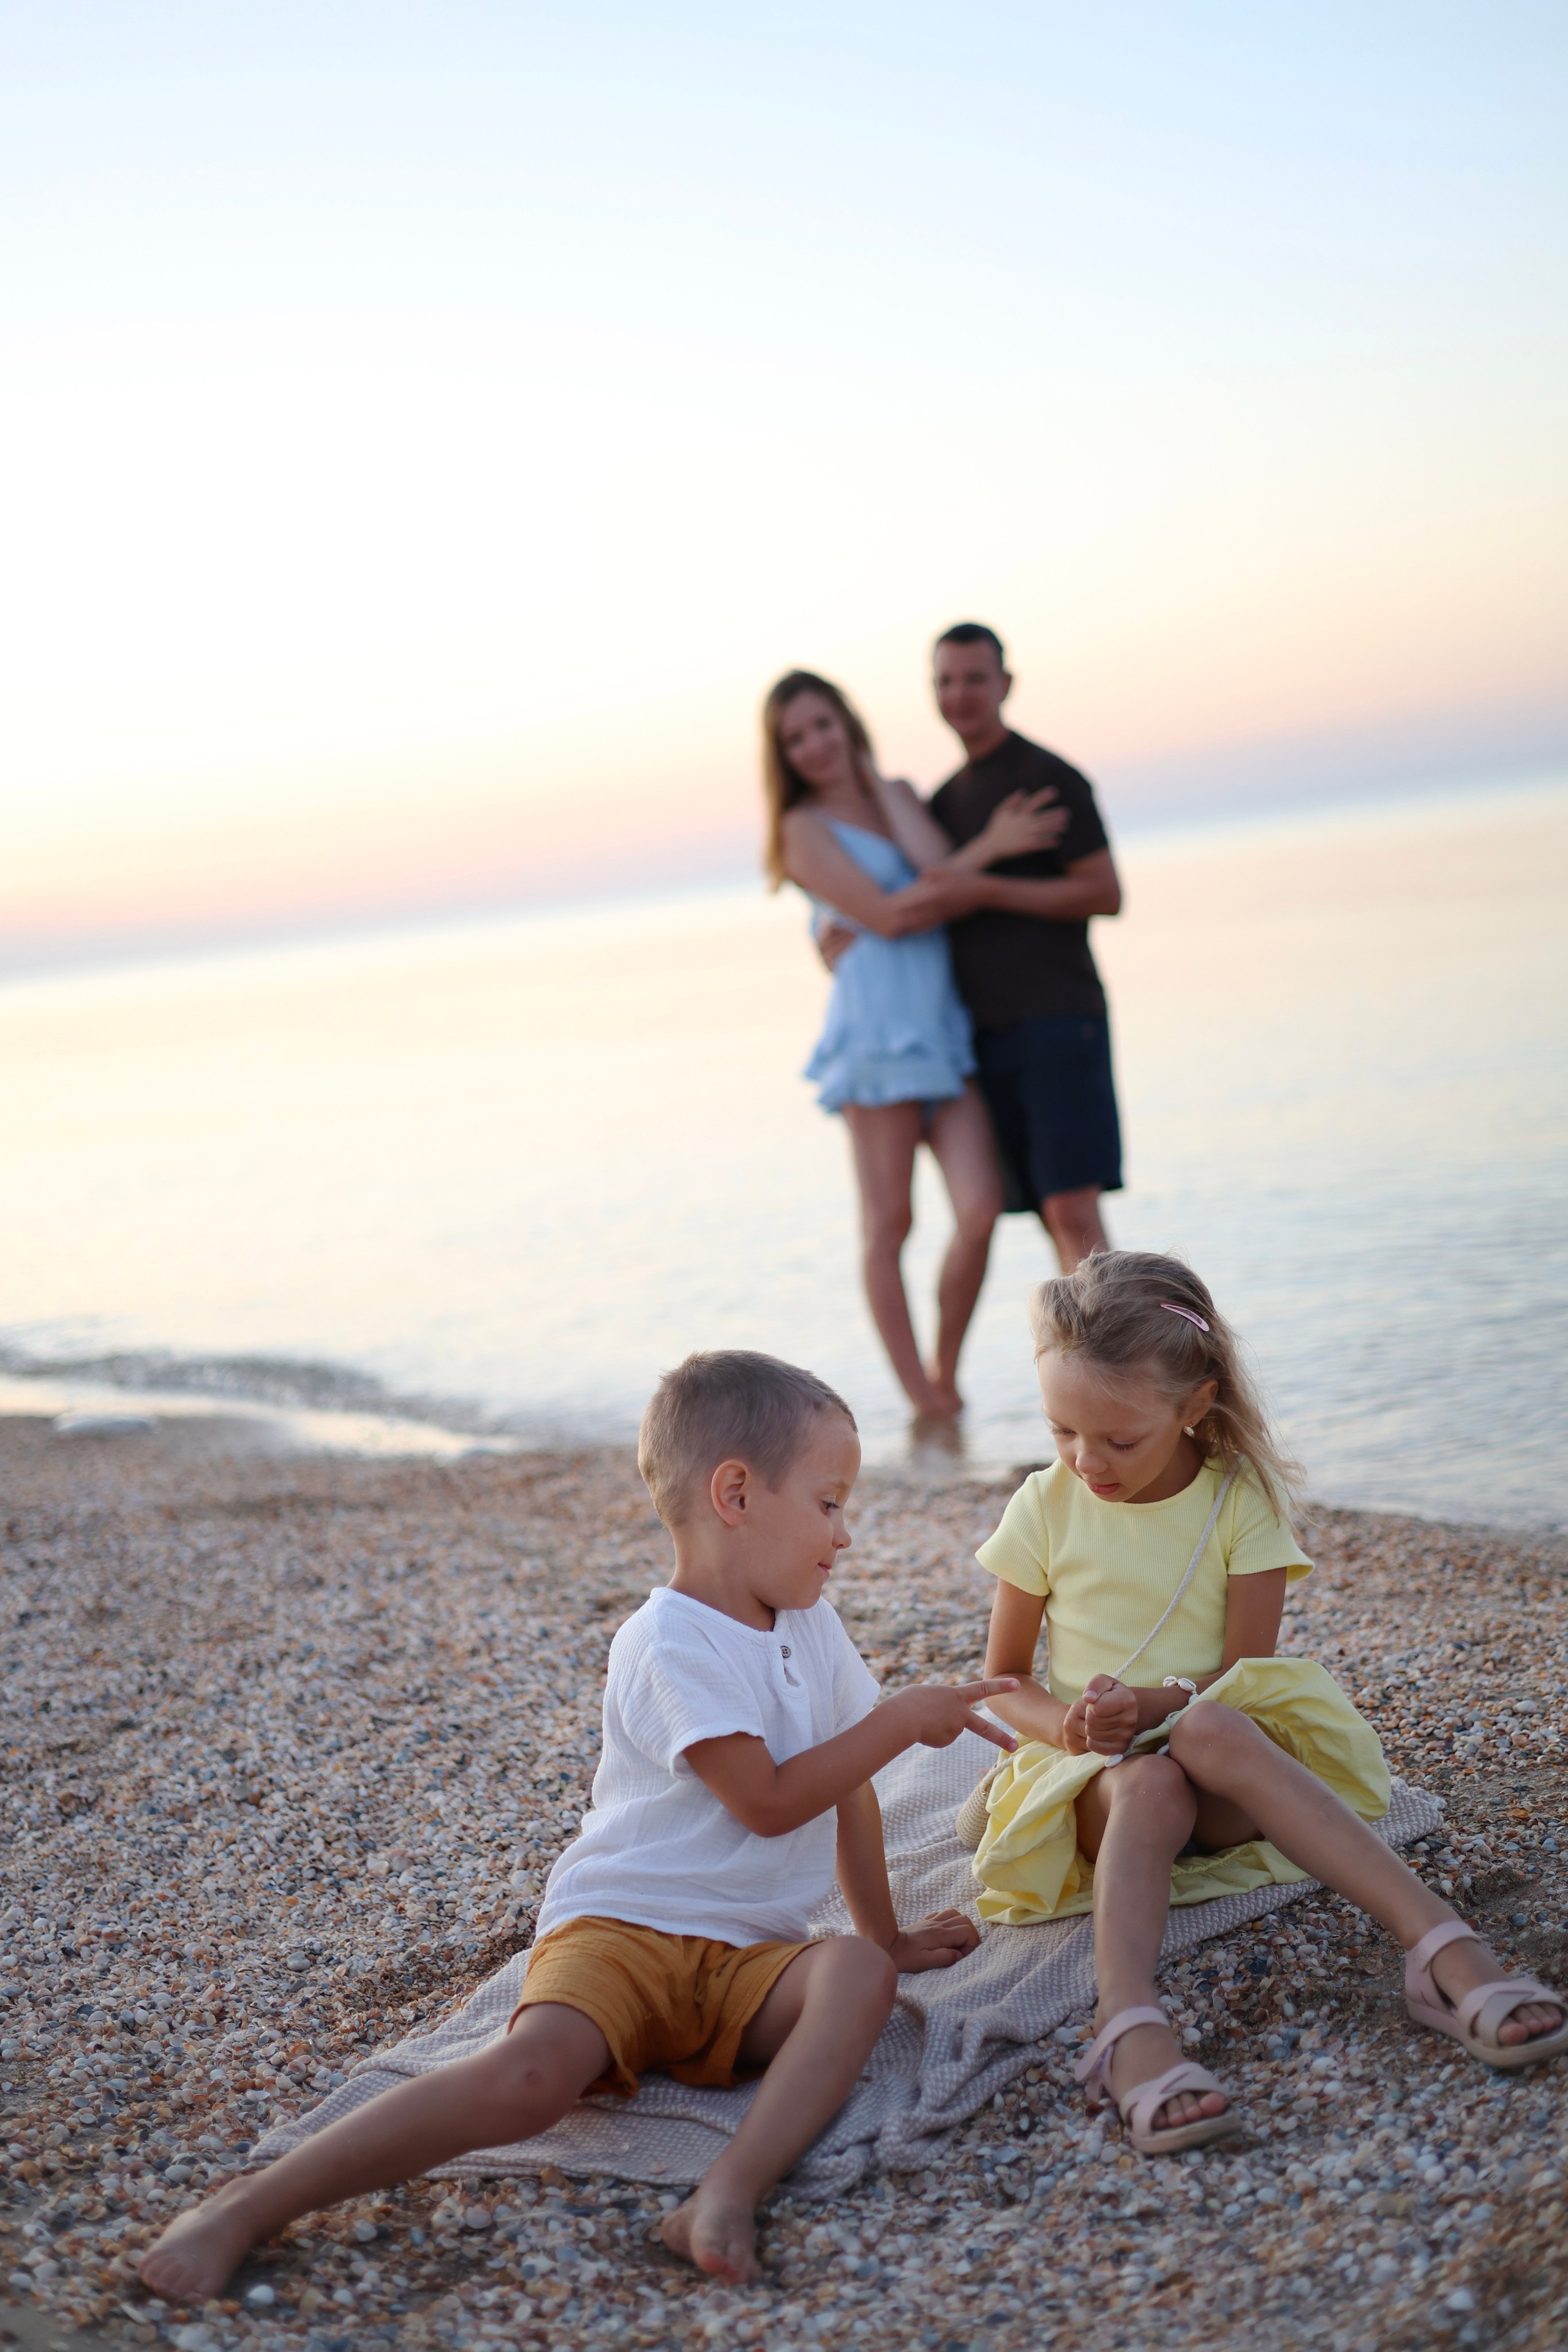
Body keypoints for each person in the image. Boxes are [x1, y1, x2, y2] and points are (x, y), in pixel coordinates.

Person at [138, 1351, 1020, 2299]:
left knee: (858, 1973)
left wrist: (884, 1934)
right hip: (625, 1928)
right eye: (830, 1503)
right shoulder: (669, 1641)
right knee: (532, 2082)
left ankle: (724, 2193)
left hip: (747, 1960)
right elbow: (768, 1800)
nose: (844, 1536)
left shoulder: (814, 1628)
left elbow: (849, 1786)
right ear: (735, 1493)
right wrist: (898, 1724)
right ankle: (248, 2206)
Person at [962, 1251, 1567, 2154]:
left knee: (1205, 1728)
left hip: (1219, 1770)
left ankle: (1439, 1946)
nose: (1087, 1461)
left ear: (1194, 1404)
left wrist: (1157, 1700)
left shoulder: (1238, 1503)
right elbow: (1003, 1677)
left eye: (1118, 1439)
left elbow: (1250, 1670)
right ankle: (1128, 2023)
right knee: (1146, 1786)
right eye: (1062, 1433)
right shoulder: (1045, 1506)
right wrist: (1074, 1725)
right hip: (1096, 1778)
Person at [763, 668, 1066, 1419]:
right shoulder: (799, 830)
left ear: (847, 722)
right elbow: (894, 916)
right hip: (874, 1039)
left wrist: (885, 797)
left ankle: (944, 1370)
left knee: (980, 1208)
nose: (814, 746)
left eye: (823, 725)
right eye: (795, 737)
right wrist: (990, 845)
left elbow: (932, 879)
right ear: (783, 754)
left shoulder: (897, 794)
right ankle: (923, 1399)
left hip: (941, 1036)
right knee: (889, 1226)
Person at [820, 625, 1124, 1272]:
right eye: (946, 681)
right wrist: (856, 923)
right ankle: (1100, 1365)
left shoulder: (1047, 778)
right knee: (1049, 1216)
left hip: (1058, 1018)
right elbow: (929, 896)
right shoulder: (944, 802)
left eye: (974, 679)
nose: (959, 695)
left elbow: (1103, 892)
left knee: (1073, 1210)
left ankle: (1132, 1361)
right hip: (981, 1037)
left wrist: (984, 887)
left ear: (1004, 685)